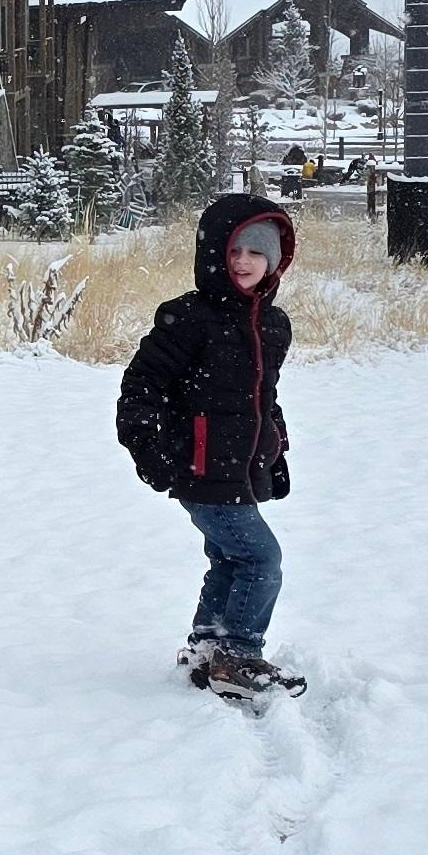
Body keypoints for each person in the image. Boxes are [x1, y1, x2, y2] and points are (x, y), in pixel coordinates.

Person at [115, 193, 306, 701]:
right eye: (234, 250)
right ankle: (238, 655)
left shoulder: (273, 323)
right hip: (201, 470)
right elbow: (140, 390)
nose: (244, 262)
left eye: (256, 252)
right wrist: (151, 454)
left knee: (229, 560)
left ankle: (207, 648)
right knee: (262, 560)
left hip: (239, 470)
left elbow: (265, 398)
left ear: (275, 259)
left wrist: (276, 451)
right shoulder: (189, 318)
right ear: (215, 254)